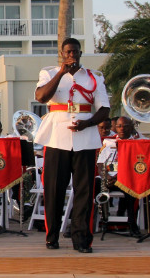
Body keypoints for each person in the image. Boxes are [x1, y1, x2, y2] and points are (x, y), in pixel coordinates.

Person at [33, 38, 110, 252]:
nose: (71, 56)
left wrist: (89, 123)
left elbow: (104, 109)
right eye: (67, 52)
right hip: (57, 138)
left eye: (75, 52)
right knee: (54, 190)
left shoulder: (94, 77)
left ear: (80, 52)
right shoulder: (48, 73)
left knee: (84, 191)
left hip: (85, 139)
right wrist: (61, 73)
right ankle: (52, 236)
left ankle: (81, 239)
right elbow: (41, 97)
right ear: (62, 53)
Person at [96, 116, 143, 237]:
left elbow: (136, 166)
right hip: (108, 178)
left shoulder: (137, 144)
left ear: (131, 127)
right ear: (115, 128)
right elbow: (100, 163)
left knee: (132, 189)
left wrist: (118, 177)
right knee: (90, 186)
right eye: (119, 126)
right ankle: (87, 224)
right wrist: (105, 176)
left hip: (125, 179)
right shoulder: (109, 142)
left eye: (125, 126)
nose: (122, 129)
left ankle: (132, 225)